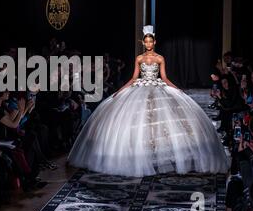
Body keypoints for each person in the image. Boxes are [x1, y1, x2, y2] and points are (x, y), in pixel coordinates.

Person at [67, 25, 230, 177]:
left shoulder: (160, 58)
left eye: (151, 41)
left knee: (161, 121)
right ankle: (142, 155)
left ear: (154, 42)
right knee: (141, 120)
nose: (148, 44)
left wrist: (178, 89)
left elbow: (164, 78)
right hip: (141, 87)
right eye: (146, 41)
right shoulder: (139, 58)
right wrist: (120, 90)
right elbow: (133, 77)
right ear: (143, 43)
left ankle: (160, 155)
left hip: (157, 86)